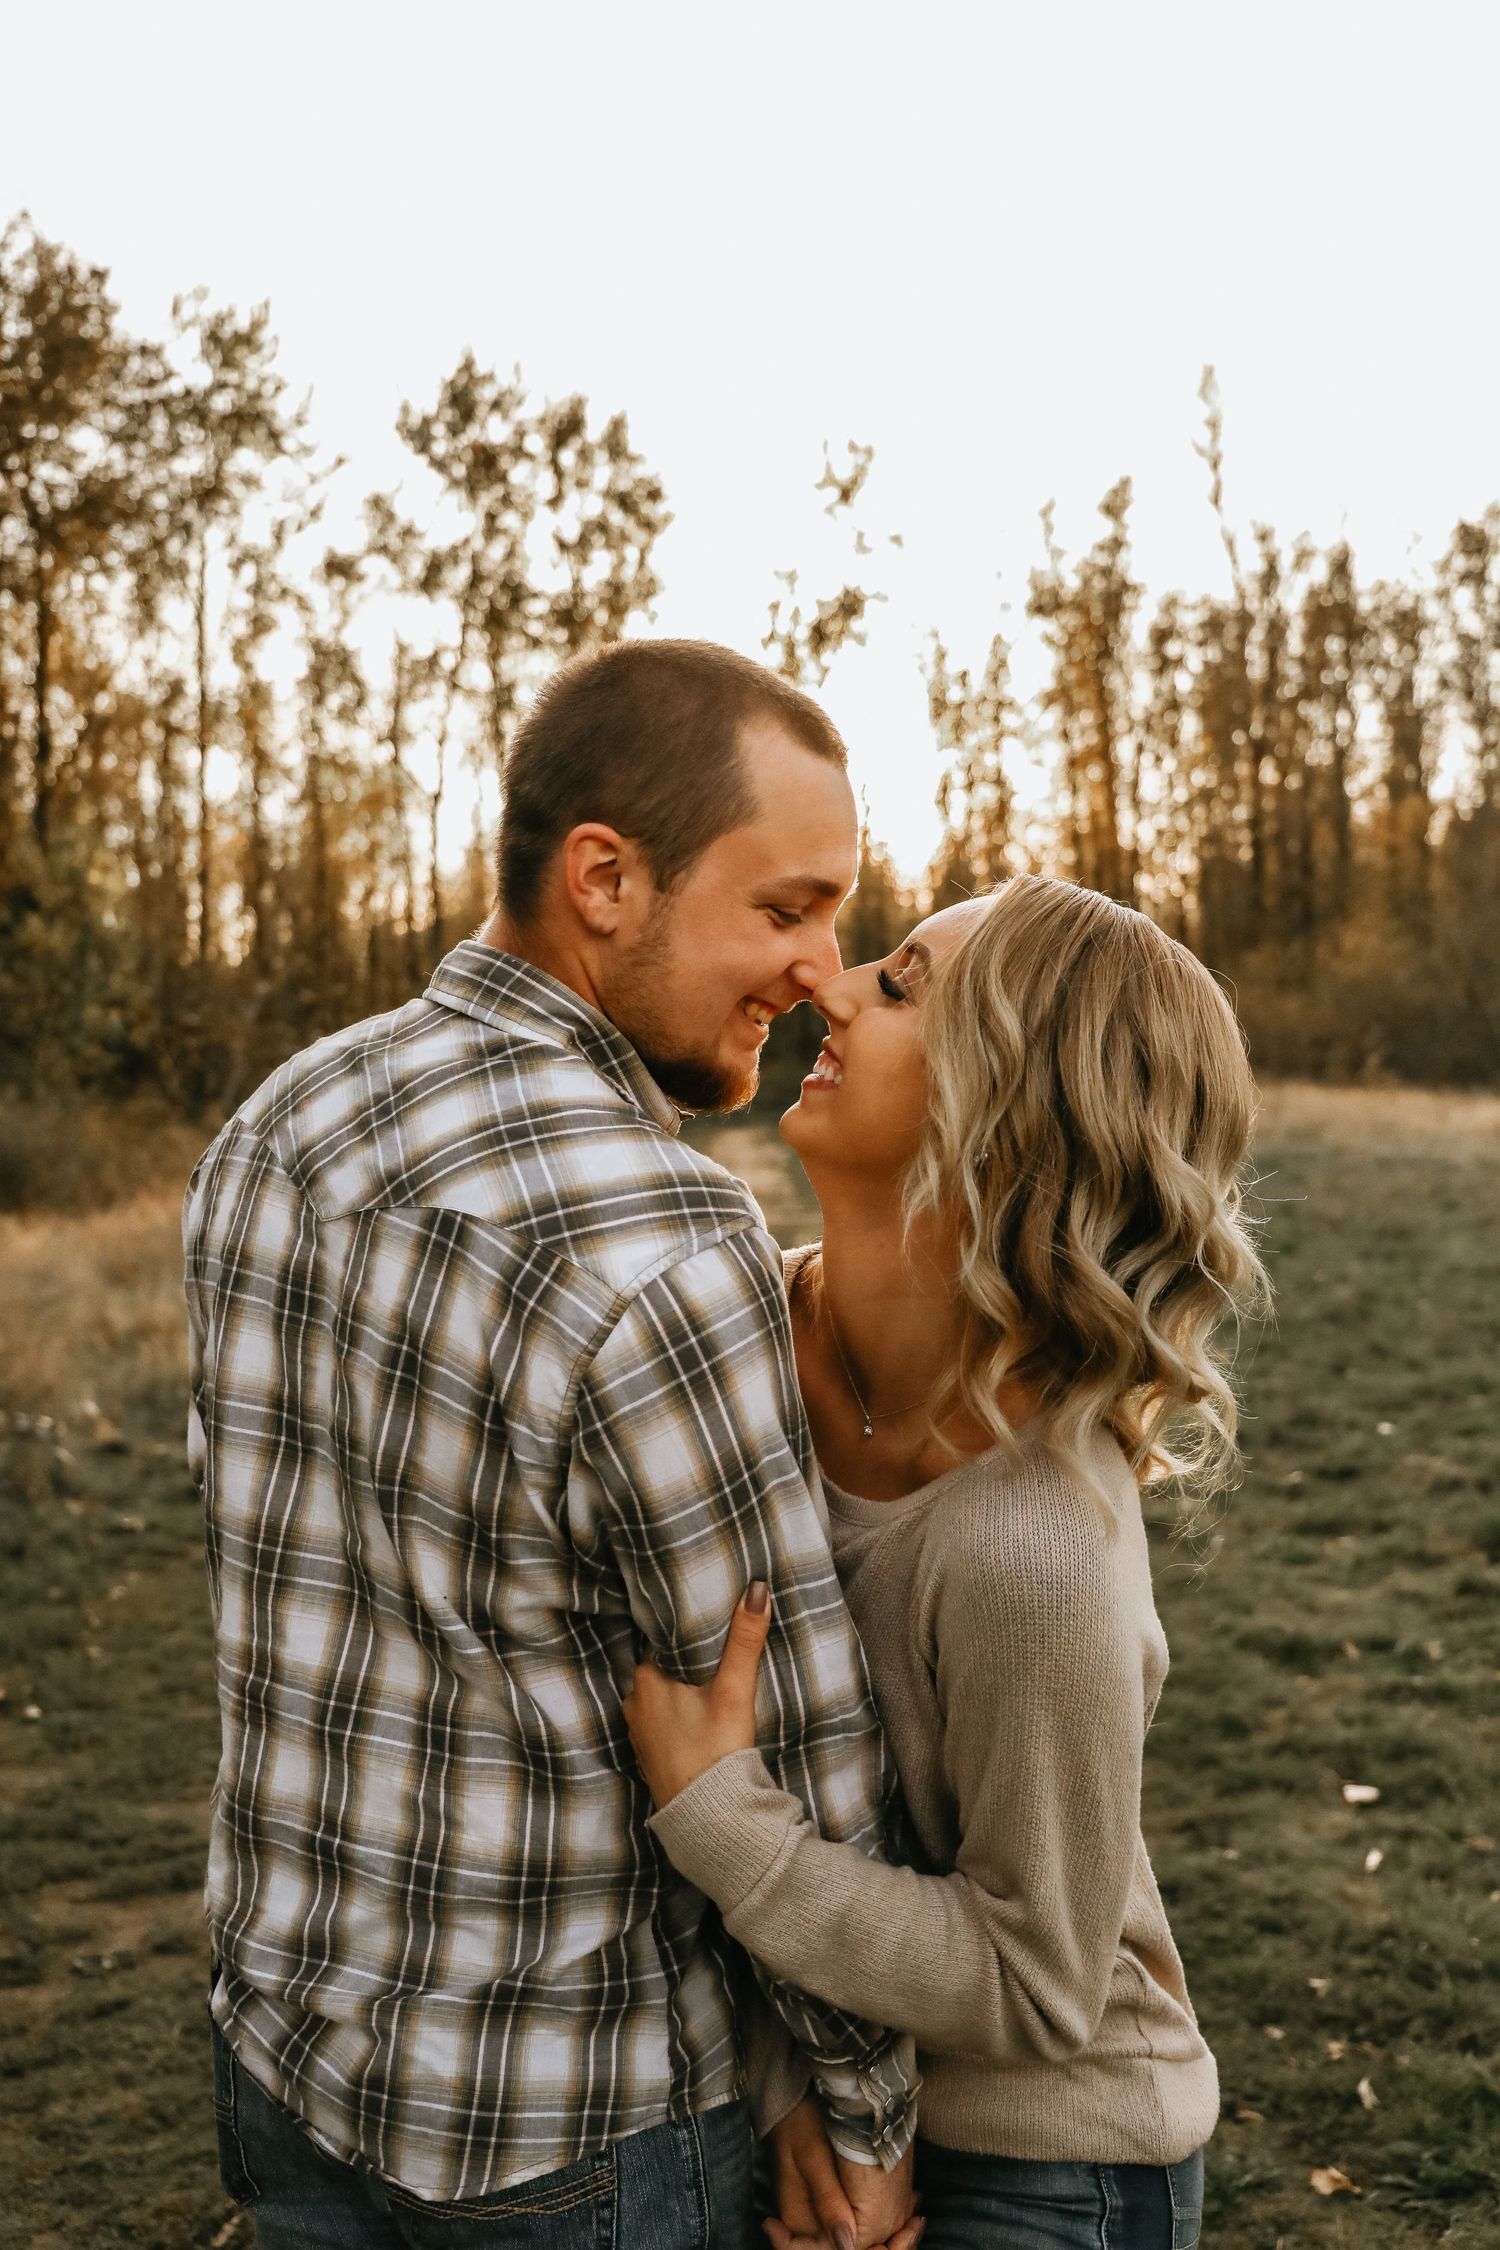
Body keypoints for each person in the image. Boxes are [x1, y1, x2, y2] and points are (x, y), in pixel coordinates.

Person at [183, 640, 923, 2250]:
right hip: (568, 2127)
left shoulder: (275, 1129)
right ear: (606, 877)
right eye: (786, 907)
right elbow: (787, 1740)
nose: (819, 969)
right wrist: (859, 2108)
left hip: (287, 2051)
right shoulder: (663, 1237)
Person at [625, 876, 1271, 2250]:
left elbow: (1038, 1983)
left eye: (903, 984)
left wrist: (728, 1825)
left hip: (1044, 2157)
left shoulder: (1032, 1545)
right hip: (836, 2095)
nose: (828, 986)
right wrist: (805, 2095)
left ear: (1015, 1115)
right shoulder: (734, 1345)